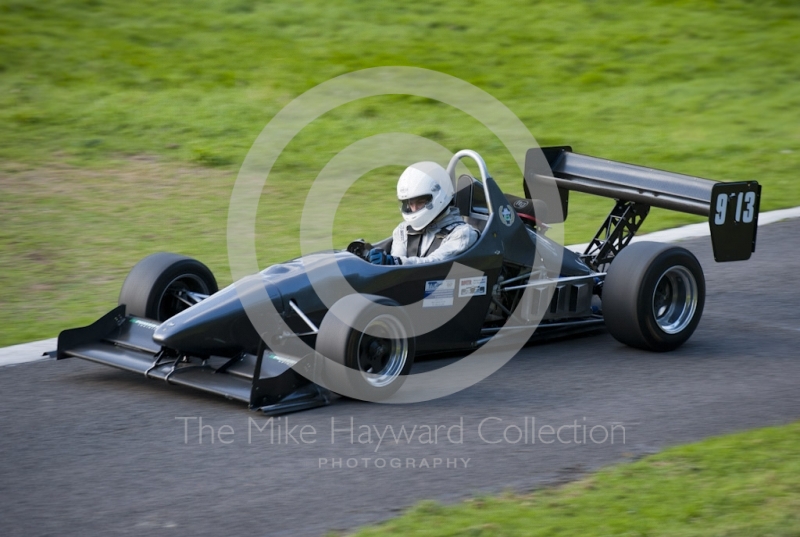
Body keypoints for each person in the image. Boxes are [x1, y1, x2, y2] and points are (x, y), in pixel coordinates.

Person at [367, 161, 478, 266]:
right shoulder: (403, 230)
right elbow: (395, 269)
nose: (414, 209)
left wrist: (395, 262)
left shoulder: (463, 234)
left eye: (420, 202)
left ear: (440, 197)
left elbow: (433, 263)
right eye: (410, 203)